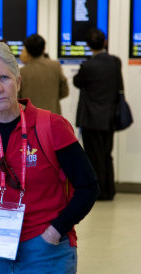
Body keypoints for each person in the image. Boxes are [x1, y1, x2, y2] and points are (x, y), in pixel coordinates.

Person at [0, 40, 99, 273]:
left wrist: (55, 231)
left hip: (45, 249)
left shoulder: (52, 126)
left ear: (17, 81)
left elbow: (88, 186)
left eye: (4, 78)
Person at [74, 28, 121, 201]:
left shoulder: (88, 65)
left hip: (91, 118)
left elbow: (77, 81)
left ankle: (99, 191)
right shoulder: (115, 62)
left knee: (94, 156)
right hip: (109, 116)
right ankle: (110, 189)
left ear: (88, 45)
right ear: (105, 42)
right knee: (107, 153)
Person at [19, 34, 69, 115]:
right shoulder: (55, 66)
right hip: (53, 118)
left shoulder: (22, 72)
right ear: (44, 49)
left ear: (27, 51)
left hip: (31, 120)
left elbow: (17, 99)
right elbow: (64, 91)